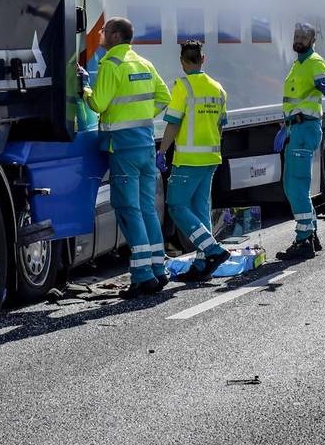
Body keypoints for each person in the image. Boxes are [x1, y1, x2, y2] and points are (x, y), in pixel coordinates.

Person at [79, 18, 172, 297]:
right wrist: (141, 118)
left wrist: (84, 87)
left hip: (122, 148)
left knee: (127, 209)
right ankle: (158, 269)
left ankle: (143, 275)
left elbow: (98, 103)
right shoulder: (143, 63)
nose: (100, 34)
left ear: (116, 35)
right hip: (144, 144)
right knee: (146, 209)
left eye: (104, 31)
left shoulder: (110, 64)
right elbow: (164, 96)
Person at [158, 40, 233, 282]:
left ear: (182, 62)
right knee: (201, 209)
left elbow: (173, 123)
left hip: (188, 159)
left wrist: (162, 151)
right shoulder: (218, 88)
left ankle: (212, 250)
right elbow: (221, 125)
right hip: (211, 157)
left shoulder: (182, 86)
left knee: (177, 206)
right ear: (204, 59)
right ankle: (202, 264)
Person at [276, 23, 325, 261]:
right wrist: (285, 127)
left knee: (296, 186)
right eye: (296, 36)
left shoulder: (315, 62)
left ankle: (303, 240)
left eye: (303, 37)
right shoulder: (297, 65)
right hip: (295, 128)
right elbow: (295, 100)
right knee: (293, 184)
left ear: (313, 39)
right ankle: (311, 234)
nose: (298, 39)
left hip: (305, 128)